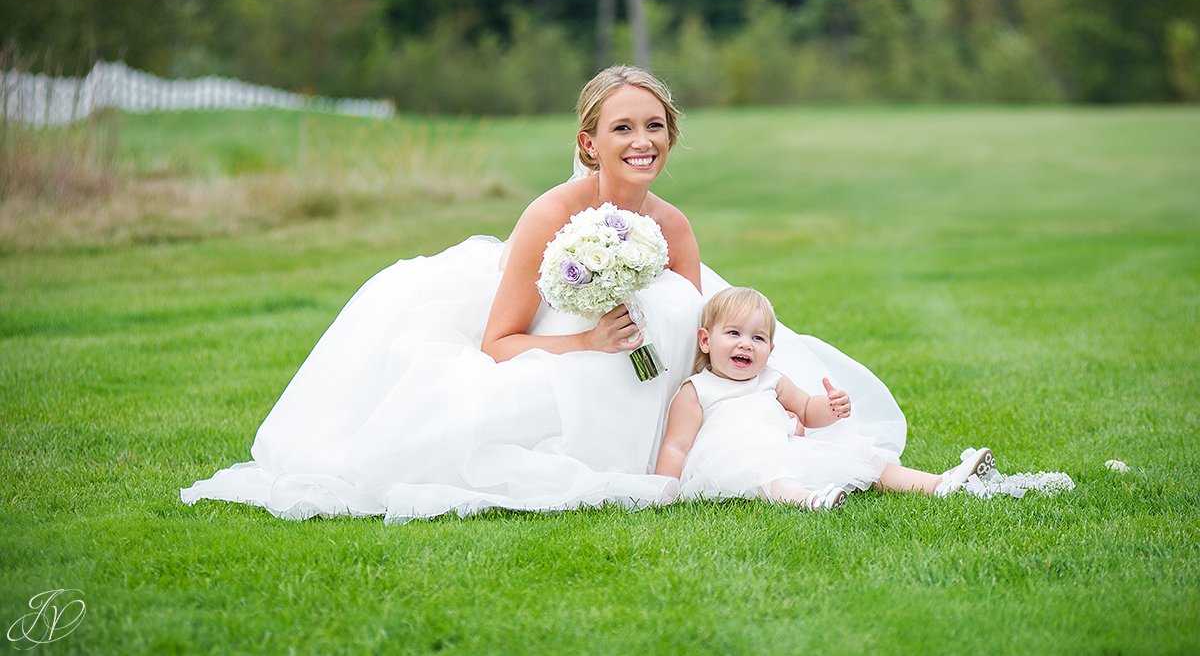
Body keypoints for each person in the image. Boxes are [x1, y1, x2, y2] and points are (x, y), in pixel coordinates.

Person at [181, 66, 909, 523]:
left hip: (656, 383)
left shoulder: (674, 226)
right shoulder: (552, 216)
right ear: (590, 142)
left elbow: (696, 340)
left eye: (655, 127)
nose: (642, 140)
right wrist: (588, 342)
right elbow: (499, 344)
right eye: (623, 127)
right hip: (561, 359)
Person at [655, 287, 995, 510]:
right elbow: (676, 446)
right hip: (731, 460)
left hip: (785, 447)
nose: (746, 344)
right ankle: (810, 501)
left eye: (758, 338)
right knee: (768, 476)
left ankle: (937, 484)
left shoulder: (771, 380)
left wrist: (830, 409)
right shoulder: (697, 389)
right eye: (733, 334)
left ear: (770, 350)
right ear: (705, 340)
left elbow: (805, 408)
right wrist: (665, 489)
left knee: (864, 458)